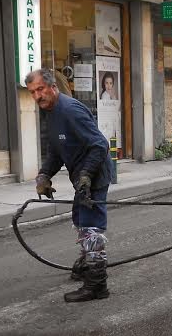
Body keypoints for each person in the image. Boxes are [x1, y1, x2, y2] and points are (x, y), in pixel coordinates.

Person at [25, 69, 113, 303]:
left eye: (40, 89)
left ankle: (97, 284)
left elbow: (99, 145)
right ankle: (88, 263)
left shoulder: (69, 110)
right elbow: (56, 151)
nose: (37, 96)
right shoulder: (51, 112)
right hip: (81, 176)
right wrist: (44, 175)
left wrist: (86, 175)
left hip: (94, 174)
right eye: (33, 92)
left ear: (52, 87)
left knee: (90, 226)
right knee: (79, 219)